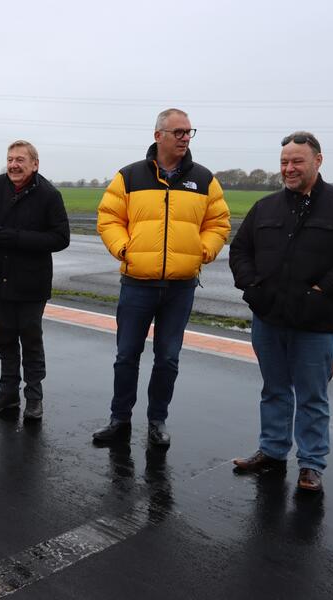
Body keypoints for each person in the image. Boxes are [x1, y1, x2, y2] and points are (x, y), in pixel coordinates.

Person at [229, 132, 333, 492]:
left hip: (315, 321)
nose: (289, 168)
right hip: (269, 318)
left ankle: (311, 463)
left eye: (297, 161)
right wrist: (252, 288)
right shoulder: (266, 207)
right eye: (284, 161)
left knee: (313, 397)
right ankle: (272, 451)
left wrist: (325, 288)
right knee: (274, 390)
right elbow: (240, 250)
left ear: (318, 160)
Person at [93, 109, 230, 446]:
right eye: (178, 132)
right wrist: (125, 249)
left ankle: (157, 421)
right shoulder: (129, 176)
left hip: (181, 287)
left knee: (168, 358)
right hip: (137, 283)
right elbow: (109, 218)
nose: (185, 138)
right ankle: (119, 419)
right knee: (126, 355)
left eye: (189, 132)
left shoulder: (204, 179)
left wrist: (202, 251)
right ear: (158, 136)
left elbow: (218, 223)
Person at [0, 140, 70, 420]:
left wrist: (18, 238)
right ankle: (8, 393)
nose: (14, 165)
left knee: (30, 339)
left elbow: (61, 237)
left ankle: (34, 397)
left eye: (20, 160)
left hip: (32, 282)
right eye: (10, 159)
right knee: (4, 337)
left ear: (34, 164)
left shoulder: (49, 195)